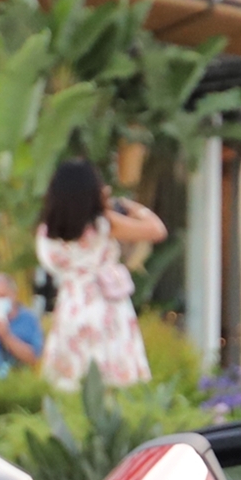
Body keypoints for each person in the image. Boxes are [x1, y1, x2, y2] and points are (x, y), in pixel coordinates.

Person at [35, 158, 165, 391]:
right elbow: (157, 230)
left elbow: (51, 264)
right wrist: (133, 207)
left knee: (72, 383)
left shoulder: (47, 233)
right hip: (106, 306)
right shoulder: (104, 224)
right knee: (112, 384)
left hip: (71, 304)